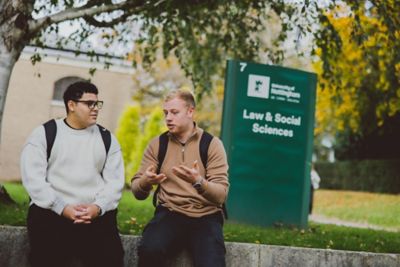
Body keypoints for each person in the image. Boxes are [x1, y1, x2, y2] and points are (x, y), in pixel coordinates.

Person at [21, 81, 125, 267]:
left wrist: (97, 208)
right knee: (46, 259)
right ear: (71, 105)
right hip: (52, 212)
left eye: (97, 104)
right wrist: (62, 207)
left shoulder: (107, 138)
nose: (95, 109)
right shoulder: (45, 133)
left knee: (111, 258)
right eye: (89, 104)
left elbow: (115, 184)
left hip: (94, 214)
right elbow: (34, 180)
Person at [131, 90, 229, 267]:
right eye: (166, 113)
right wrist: (146, 181)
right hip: (170, 213)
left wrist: (198, 181)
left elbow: (221, 195)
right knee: (149, 249)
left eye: (174, 112)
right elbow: (137, 192)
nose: (168, 118)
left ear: (190, 112)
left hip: (205, 216)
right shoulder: (157, 144)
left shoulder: (212, 144)